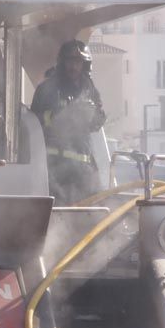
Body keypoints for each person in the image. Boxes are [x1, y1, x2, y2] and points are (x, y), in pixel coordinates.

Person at [30, 39, 107, 205]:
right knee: (59, 214)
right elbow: (33, 122)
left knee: (95, 211)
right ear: (62, 62)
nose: (74, 67)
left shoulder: (89, 89)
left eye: (78, 62)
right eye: (70, 61)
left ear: (85, 64)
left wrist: (90, 114)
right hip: (56, 168)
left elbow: (99, 120)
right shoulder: (47, 89)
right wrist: (62, 116)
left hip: (84, 168)